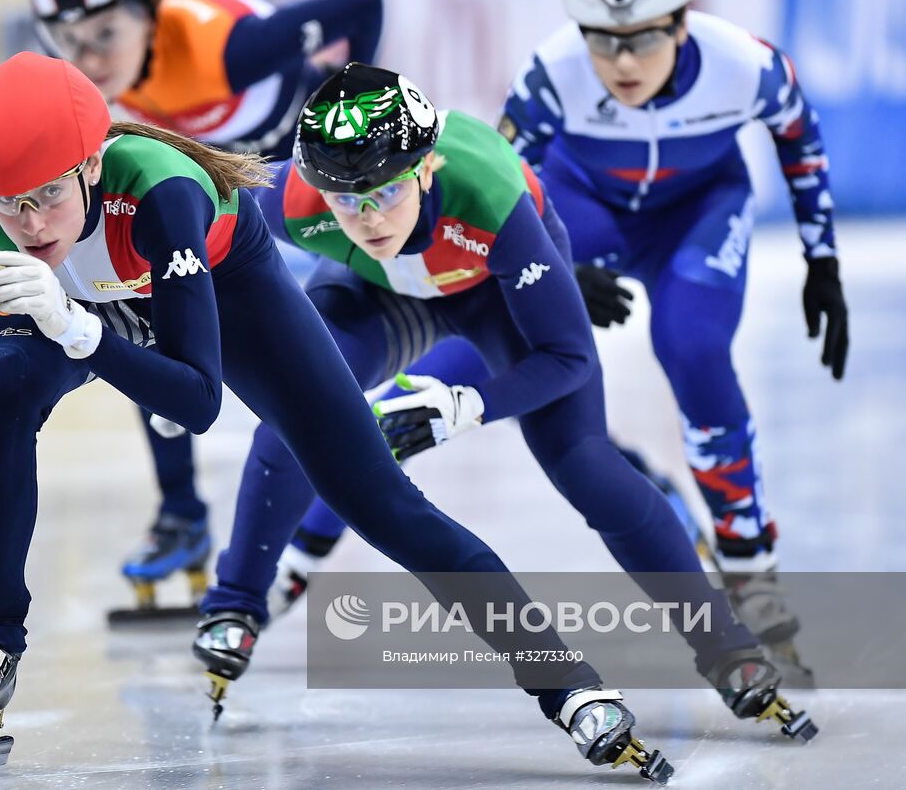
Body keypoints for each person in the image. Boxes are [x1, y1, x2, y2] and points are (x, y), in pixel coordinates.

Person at [0, 52, 679, 782]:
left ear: (88, 162)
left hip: (218, 293)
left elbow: (197, 401)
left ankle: (567, 686)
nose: (26, 220)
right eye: (6, 204)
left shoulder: (162, 194)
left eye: (44, 195)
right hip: (70, 301)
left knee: (380, 501)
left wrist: (80, 329)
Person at [194, 62, 816, 748]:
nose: (368, 215)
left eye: (387, 189)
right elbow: (184, 225)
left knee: (588, 470)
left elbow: (569, 357)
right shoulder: (294, 199)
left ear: (427, 168)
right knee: (295, 413)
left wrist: (471, 403)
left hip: (493, 289)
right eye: (347, 199)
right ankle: (236, 604)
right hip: (377, 296)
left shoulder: (486, 194)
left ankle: (726, 646)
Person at [0, 0, 385, 608]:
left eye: (105, 38)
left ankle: (343, 464)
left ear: (151, 14)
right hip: (200, 183)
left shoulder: (229, 53)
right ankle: (182, 510)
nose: (86, 61)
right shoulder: (98, 29)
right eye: (67, 40)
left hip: (292, 173)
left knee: (305, 343)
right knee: (133, 309)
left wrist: (359, 116)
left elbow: (362, 2)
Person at [495, 0, 848, 677]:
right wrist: (552, 262)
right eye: (603, 39)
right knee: (505, 347)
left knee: (692, 348)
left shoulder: (746, 65)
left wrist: (824, 263)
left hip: (697, 210)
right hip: (580, 206)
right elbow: (499, 187)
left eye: (645, 39)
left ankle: (749, 565)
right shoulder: (551, 72)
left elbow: (801, 136)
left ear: (683, 23)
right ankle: (628, 475)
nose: (622, 62)